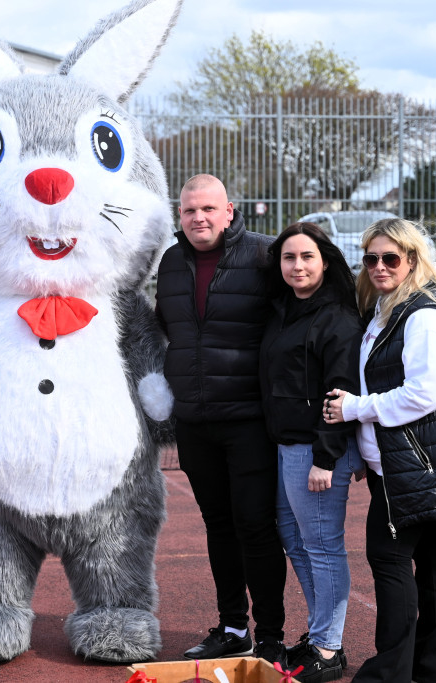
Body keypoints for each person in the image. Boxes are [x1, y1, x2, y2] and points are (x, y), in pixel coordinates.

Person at [324, 218, 436, 683]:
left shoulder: (424, 315)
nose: (380, 266)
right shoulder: (386, 308)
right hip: (401, 462)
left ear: (413, 260)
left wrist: (354, 411)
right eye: (371, 259)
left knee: (389, 559)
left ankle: (390, 673)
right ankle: (427, 671)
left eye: (391, 258)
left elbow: (425, 393)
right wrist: (367, 450)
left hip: (418, 465)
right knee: (429, 561)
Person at [155, 174, 288, 666]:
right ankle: (234, 627)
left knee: (256, 528)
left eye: (208, 209)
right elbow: (168, 328)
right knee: (219, 527)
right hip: (195, 423)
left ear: (229, 210)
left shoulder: (264, 256)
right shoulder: (170, 262)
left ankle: (271, 636)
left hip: (250, 421)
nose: (199, 218)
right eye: (189, 211)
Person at [259, 222, 364, 682]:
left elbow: (339, 392)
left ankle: (328, 647)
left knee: (322, 547)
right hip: (285, 446)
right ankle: (322, 631)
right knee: (294, 539)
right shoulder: (282, 310)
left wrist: (326, 457)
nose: (297, 265)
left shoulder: (338, 319)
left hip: (315, 452)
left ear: (325, 261)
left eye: (306, 257)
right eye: (288, 258)